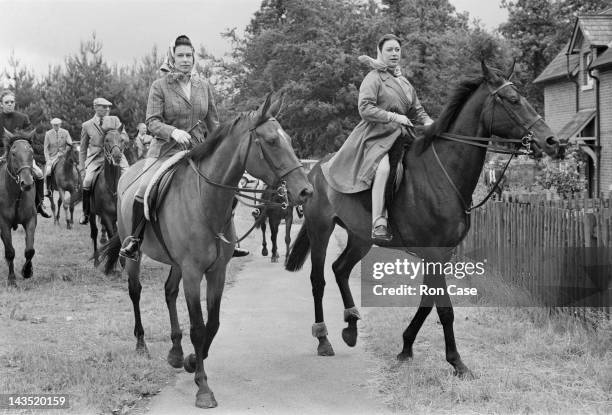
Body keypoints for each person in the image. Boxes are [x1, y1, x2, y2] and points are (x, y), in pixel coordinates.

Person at [119, 34, 249, 260]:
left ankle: (227, 239)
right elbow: (151, 122)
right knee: (144, 188)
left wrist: (223, 147)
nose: (186, 59)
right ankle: (135, 239)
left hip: (198, 150)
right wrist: (173, 132)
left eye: (189, 55)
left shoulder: (203, 86)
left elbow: (214, 123)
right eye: (181, 55)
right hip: (164, 150)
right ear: (172, 58)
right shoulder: (159, 86)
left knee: (228, 186)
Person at [321, 34, 433, 242]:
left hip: (403, 135)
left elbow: (418, 110)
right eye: (389, 49)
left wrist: (429, 123)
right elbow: (364, 109)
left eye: (397, 50)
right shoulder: (373, 78)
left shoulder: (405, 83)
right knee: (383, 169)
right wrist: (393, 115)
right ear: (380, 52)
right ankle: (378, 222)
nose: (394, 53)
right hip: (376, 135)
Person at [0, 90, 51, 217]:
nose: (9, 104)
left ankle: (39, 204)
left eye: (12, 102)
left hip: (22, 158)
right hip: (2, 156)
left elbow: (31, 140)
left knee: (39, 173)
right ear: (1, 104)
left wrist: (28, 154)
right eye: (6, 102)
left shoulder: (23, 118)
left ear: (15, 103)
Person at [79, 97, 129, 225]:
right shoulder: (87, 125)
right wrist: (82, 167)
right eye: (104, 107)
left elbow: (125, 137)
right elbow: (83, 149)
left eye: (108, 107)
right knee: (87, 181)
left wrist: (120, 137)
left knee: (129, 176)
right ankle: (85, 213)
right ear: (96, 107)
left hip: (115, 154)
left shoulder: (115, 120)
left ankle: (130, 207)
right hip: (96, 158)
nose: (107, 109)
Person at [44, 118, 73, 193]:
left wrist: (66, 151)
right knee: (48, 171)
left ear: (60, 125)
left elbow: (70, 144)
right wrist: (48, 160)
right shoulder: (48, 134)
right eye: (54, 125)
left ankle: (76, 185)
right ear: (52, 125)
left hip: (63, 156)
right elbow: (46, 149)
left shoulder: (65, 132)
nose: (56, 126)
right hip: (52, 157)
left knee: (74, 167)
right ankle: (48, 189)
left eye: (57, 125)